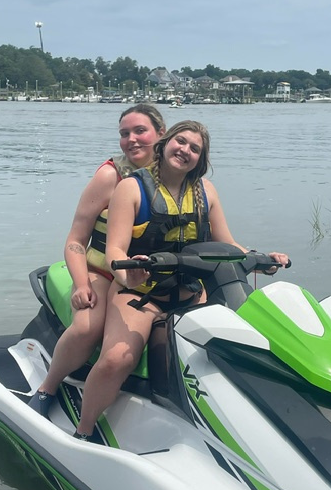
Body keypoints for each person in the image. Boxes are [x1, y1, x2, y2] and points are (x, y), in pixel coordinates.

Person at [75, 120, 289, 438]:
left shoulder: (207, 192)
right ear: (165, 143)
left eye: (195, 148)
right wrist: (127, 273)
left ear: (200, 159)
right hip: (139, 292)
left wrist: (263, 261)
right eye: (181, 141)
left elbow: (228, 245)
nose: (185, 150)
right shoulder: (131, 188)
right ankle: (84, 430)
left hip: (191, 293)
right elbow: (115, 249)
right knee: (117, 359)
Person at [28, 103, 166, 416]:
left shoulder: (175, 177)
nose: (131, 140)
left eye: (140, 131)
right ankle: (48, 387)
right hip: (102, 272)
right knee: (88, 327)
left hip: (153, 278)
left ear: (161, 133)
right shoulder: (109, 176)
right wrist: (81, 285)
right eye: (124, 134)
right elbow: (75, 240)